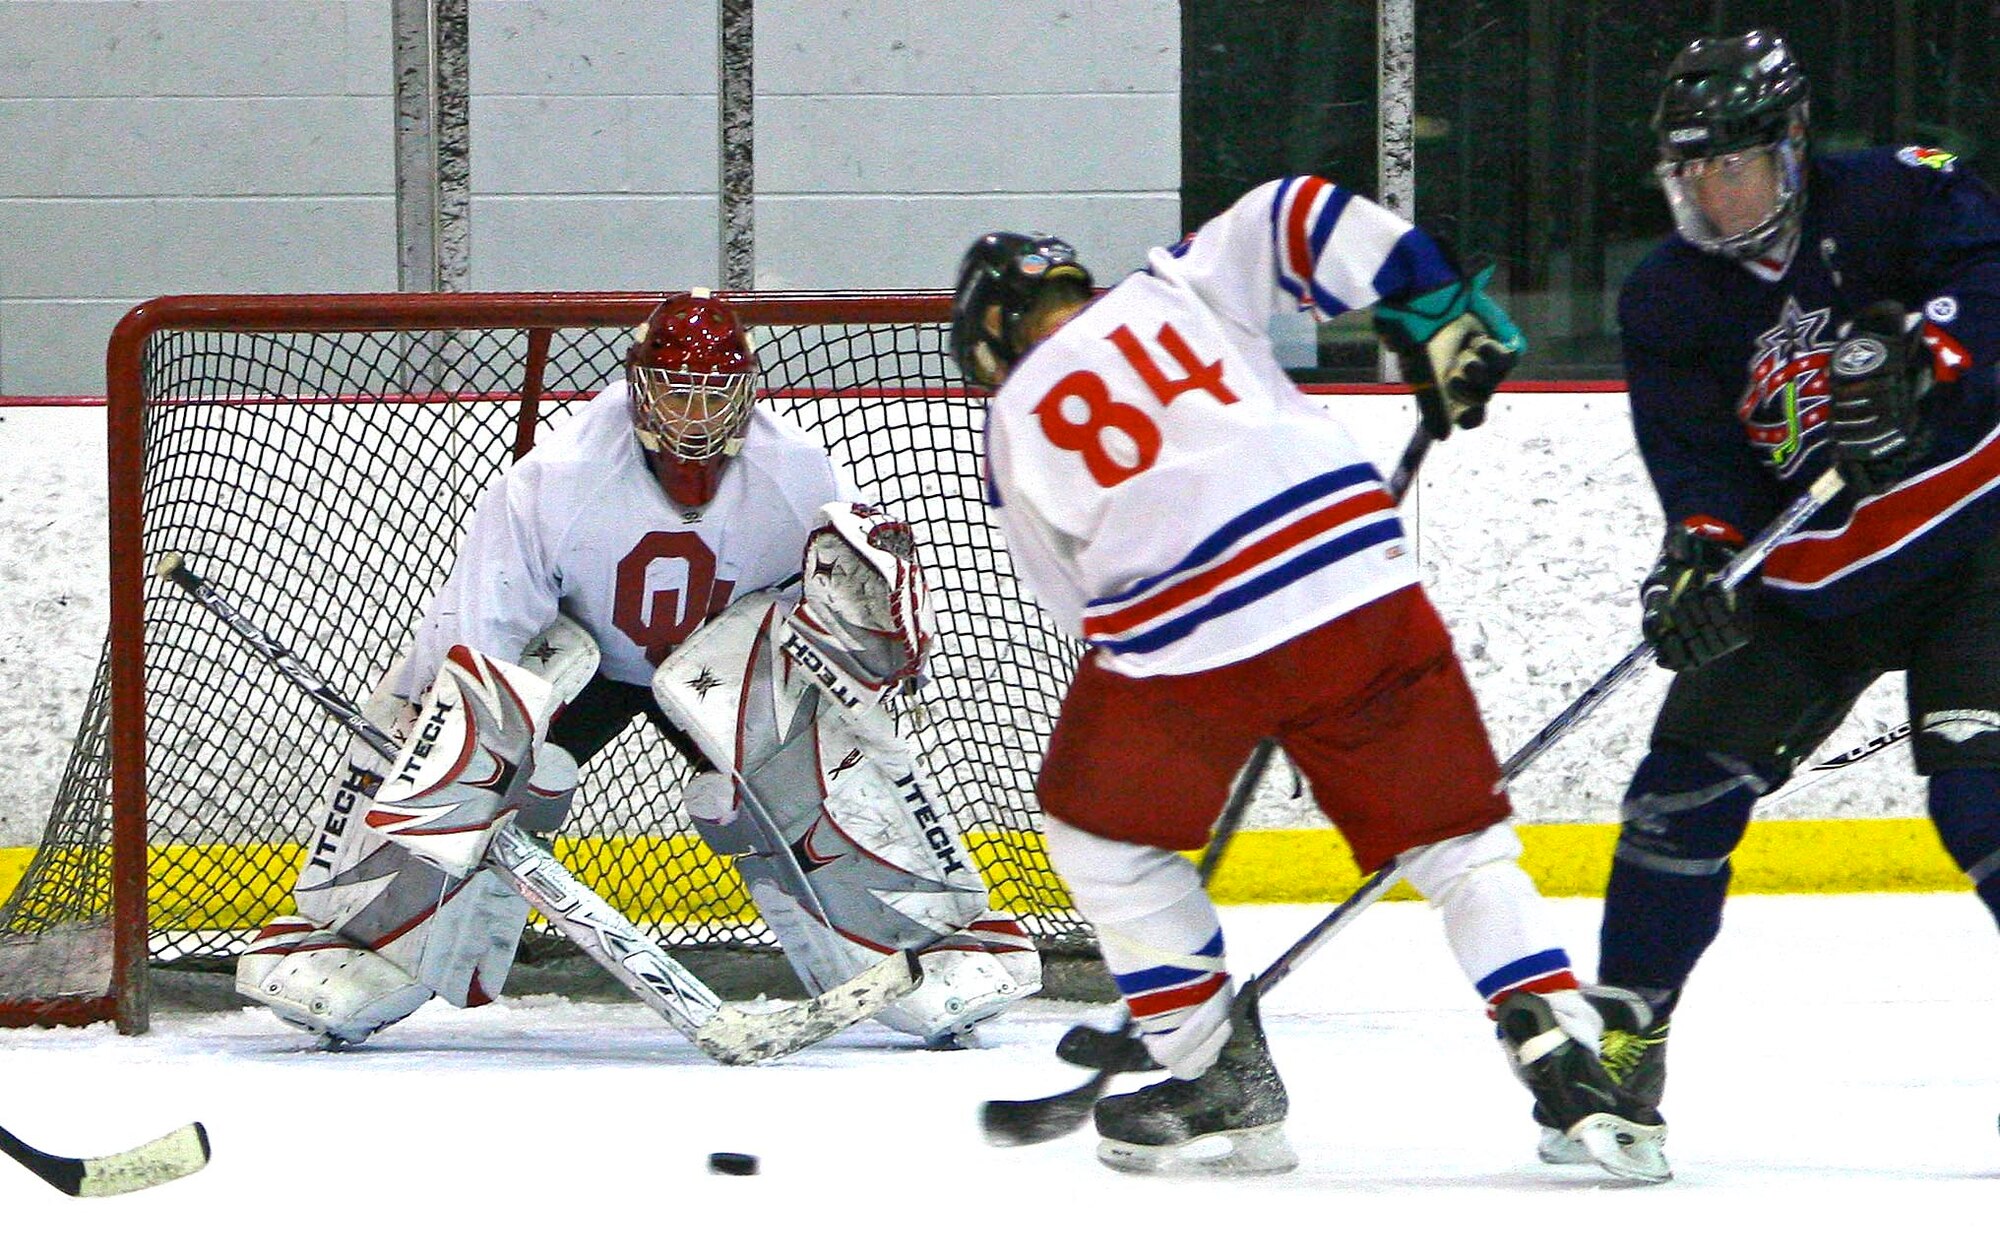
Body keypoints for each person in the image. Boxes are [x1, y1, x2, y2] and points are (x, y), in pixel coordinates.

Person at [948, 181, 1666, 1180]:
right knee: (1454, 841)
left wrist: (1230, 712)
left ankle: (1214, 1078)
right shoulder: (1173, 289)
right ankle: (1554, 1031)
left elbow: (1082, 611)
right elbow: (1296, 209)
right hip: (1353, 579)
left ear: (987, 346)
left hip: (1187, 638)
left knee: (1100, 836)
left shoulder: (1012, 418)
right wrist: (1429, 300)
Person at [236, 291, 1040, 1051]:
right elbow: (484, 632)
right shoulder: (556, 478)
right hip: (582, 660)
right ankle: (364, 942)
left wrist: (863, 664)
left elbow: (845, 598)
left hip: (720, 664)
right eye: (677, 392)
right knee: (474, 743)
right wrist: (454, 745)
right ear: (636, 386)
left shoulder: (797, 472)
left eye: (715, 393)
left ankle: (924, 940)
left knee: (780, 784)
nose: (695, 415)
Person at [1553, 28, 2000, 1164]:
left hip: (1972, 551)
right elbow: (1698, 465)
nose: (1708, 190)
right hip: (1808, 588)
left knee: (1981, 808)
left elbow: (1991, 270)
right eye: (1687, 171)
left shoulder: (1894, 194)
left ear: (1790, 145)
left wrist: (1928, 357)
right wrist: (1696, 560)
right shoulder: (1665, 296)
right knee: (1675, 799)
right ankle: (1625, 1046)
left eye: (1729, 165)